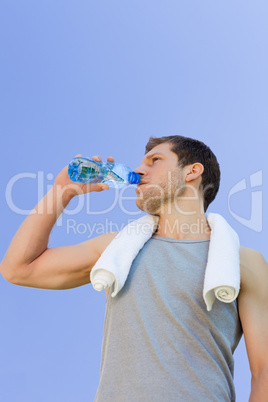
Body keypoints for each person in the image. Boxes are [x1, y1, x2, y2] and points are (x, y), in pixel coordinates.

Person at [0, 135, 267, 401]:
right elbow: (19, 268)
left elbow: (263, 370)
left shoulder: (241, 262)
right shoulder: (117, 250)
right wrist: (61, 191)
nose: (139, 170)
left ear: (192, 171)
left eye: (155, 160)